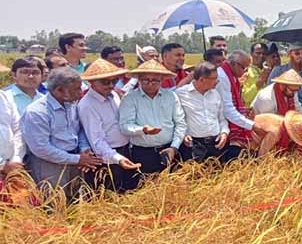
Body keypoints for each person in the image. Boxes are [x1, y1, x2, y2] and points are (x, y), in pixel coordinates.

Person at [21, 67, 102, 200]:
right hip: (48, 165)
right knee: (53, 203)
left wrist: (84, 149)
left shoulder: (71, 104)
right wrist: (77, 159)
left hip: (74, 159)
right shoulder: (37, 113)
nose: (80, 92)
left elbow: (79, 129)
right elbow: (41, 149)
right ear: (59, 90)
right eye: (76, 89)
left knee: (74, 201)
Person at [77, 59, 140, 192]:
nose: (110, 85)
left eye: (114, 81)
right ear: (92, 82)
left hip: (123, 152)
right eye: (105, 82)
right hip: (106, 159)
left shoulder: (114, 96)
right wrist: (117, 158)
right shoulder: (87, 105)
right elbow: (97, 141)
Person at [119, 60, 187, 181]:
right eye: (146, 80)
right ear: (139, 80)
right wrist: (143, 130)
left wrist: (174, 147)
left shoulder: (170, 96)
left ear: (162, 80)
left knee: (170, 188)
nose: (150, 84)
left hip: (169, 150)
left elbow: (180, 123)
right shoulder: (130, 98)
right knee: (144, 188)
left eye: (155, 80)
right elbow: (125, 126)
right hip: (143, 153)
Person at [177, 62, 229, 163]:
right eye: (214, 78)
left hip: (216, 144)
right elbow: (176, 119)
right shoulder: (181, 94)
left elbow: (222, 118)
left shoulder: (216, 94)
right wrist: (183, 134)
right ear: (202, 79)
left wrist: (224, 133)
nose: (217, 81)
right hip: (193, 145)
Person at [251, 70, 302, 156]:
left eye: (296, 91)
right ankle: (261, 157)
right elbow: (269, 122)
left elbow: (298, 107)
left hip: (280, 122)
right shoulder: (266, 97)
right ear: (282, 85)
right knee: (276, 131)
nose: (294, 93)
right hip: (258, 127)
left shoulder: (291, 92)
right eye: (292, 90)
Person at [217, 50, 259, 161]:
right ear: (233, 64)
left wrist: (245, 112)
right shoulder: (222, 77)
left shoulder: (231, 77)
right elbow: (228, 110)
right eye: (243, 68)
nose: (245, 72)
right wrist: (251, 125)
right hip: (219, 125)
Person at [268, 43, 302, 109]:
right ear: (289, 54)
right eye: (297, 53)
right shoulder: (278, 71)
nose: (301, 56)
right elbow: (270, 94)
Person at [0, 89, 25, 184]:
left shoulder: (3, 96)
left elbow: (18, 128)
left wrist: (16, 158)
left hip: (11, 168)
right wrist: (3, 164)